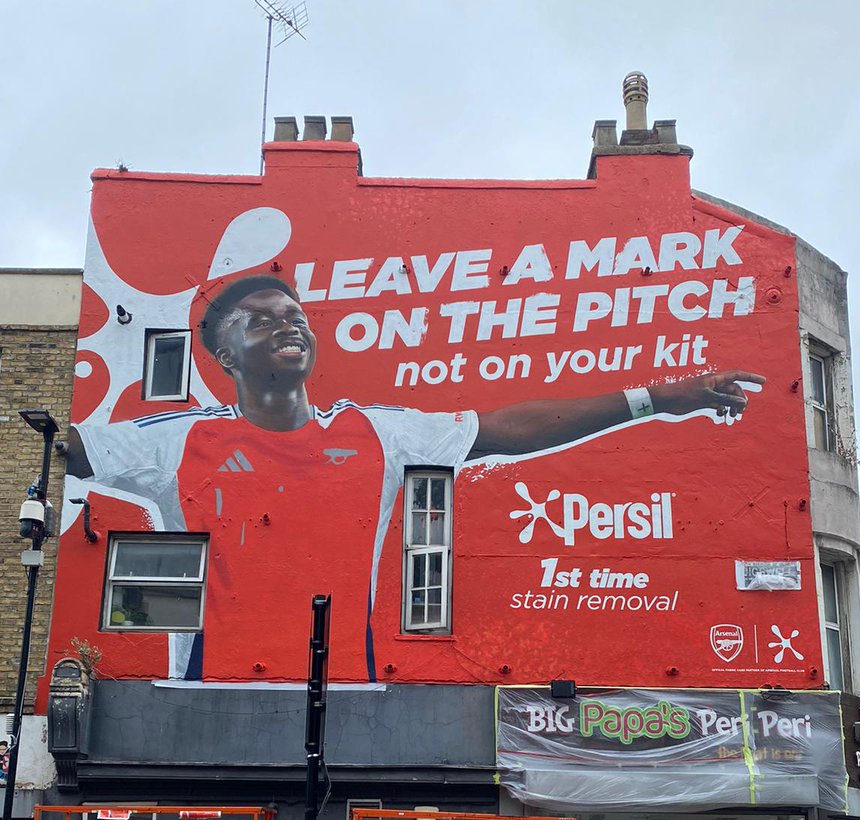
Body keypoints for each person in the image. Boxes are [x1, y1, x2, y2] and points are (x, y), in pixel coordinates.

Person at [66, 275, 763, 681]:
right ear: (223, 353)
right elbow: (55, 448)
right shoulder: (181, 440)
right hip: (205, 704)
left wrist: (661, 398)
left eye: (297, 315)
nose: (291, 324)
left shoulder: (374, 431)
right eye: (263, 320)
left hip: (346, 701)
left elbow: (509, 430)